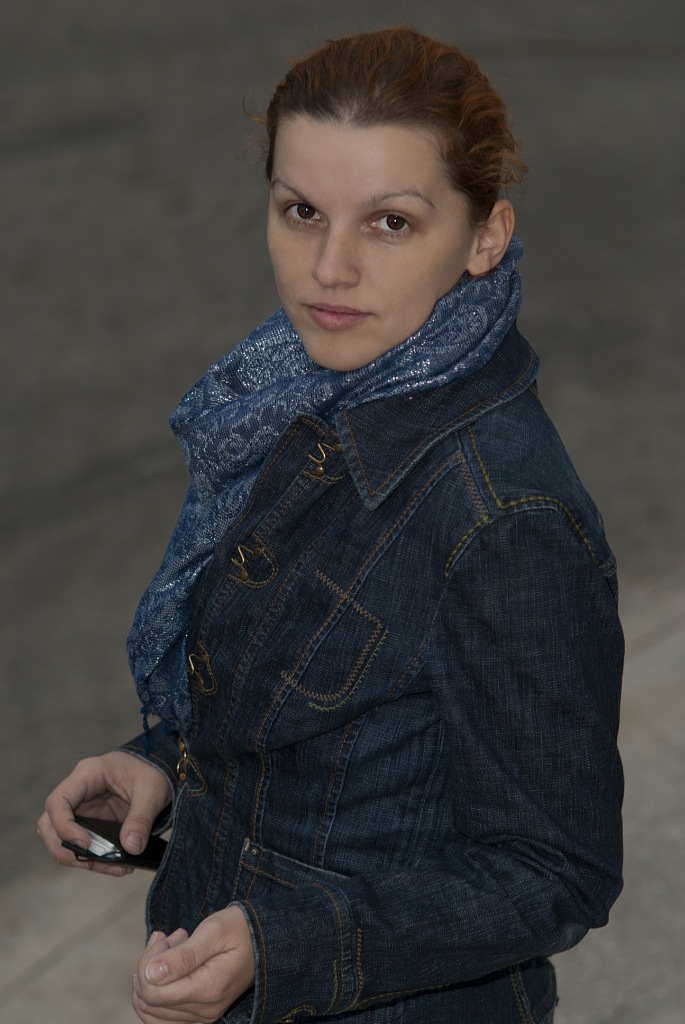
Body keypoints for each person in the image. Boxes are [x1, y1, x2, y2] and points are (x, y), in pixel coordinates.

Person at [38, 27, 624, 1024]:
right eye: (300, 211)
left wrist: (285, 944)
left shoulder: (503, 515)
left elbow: (553, 870)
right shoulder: (301, 397)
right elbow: (317, 722)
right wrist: (160, 764)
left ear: (484, 238)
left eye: (390, 222)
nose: (329, 267)